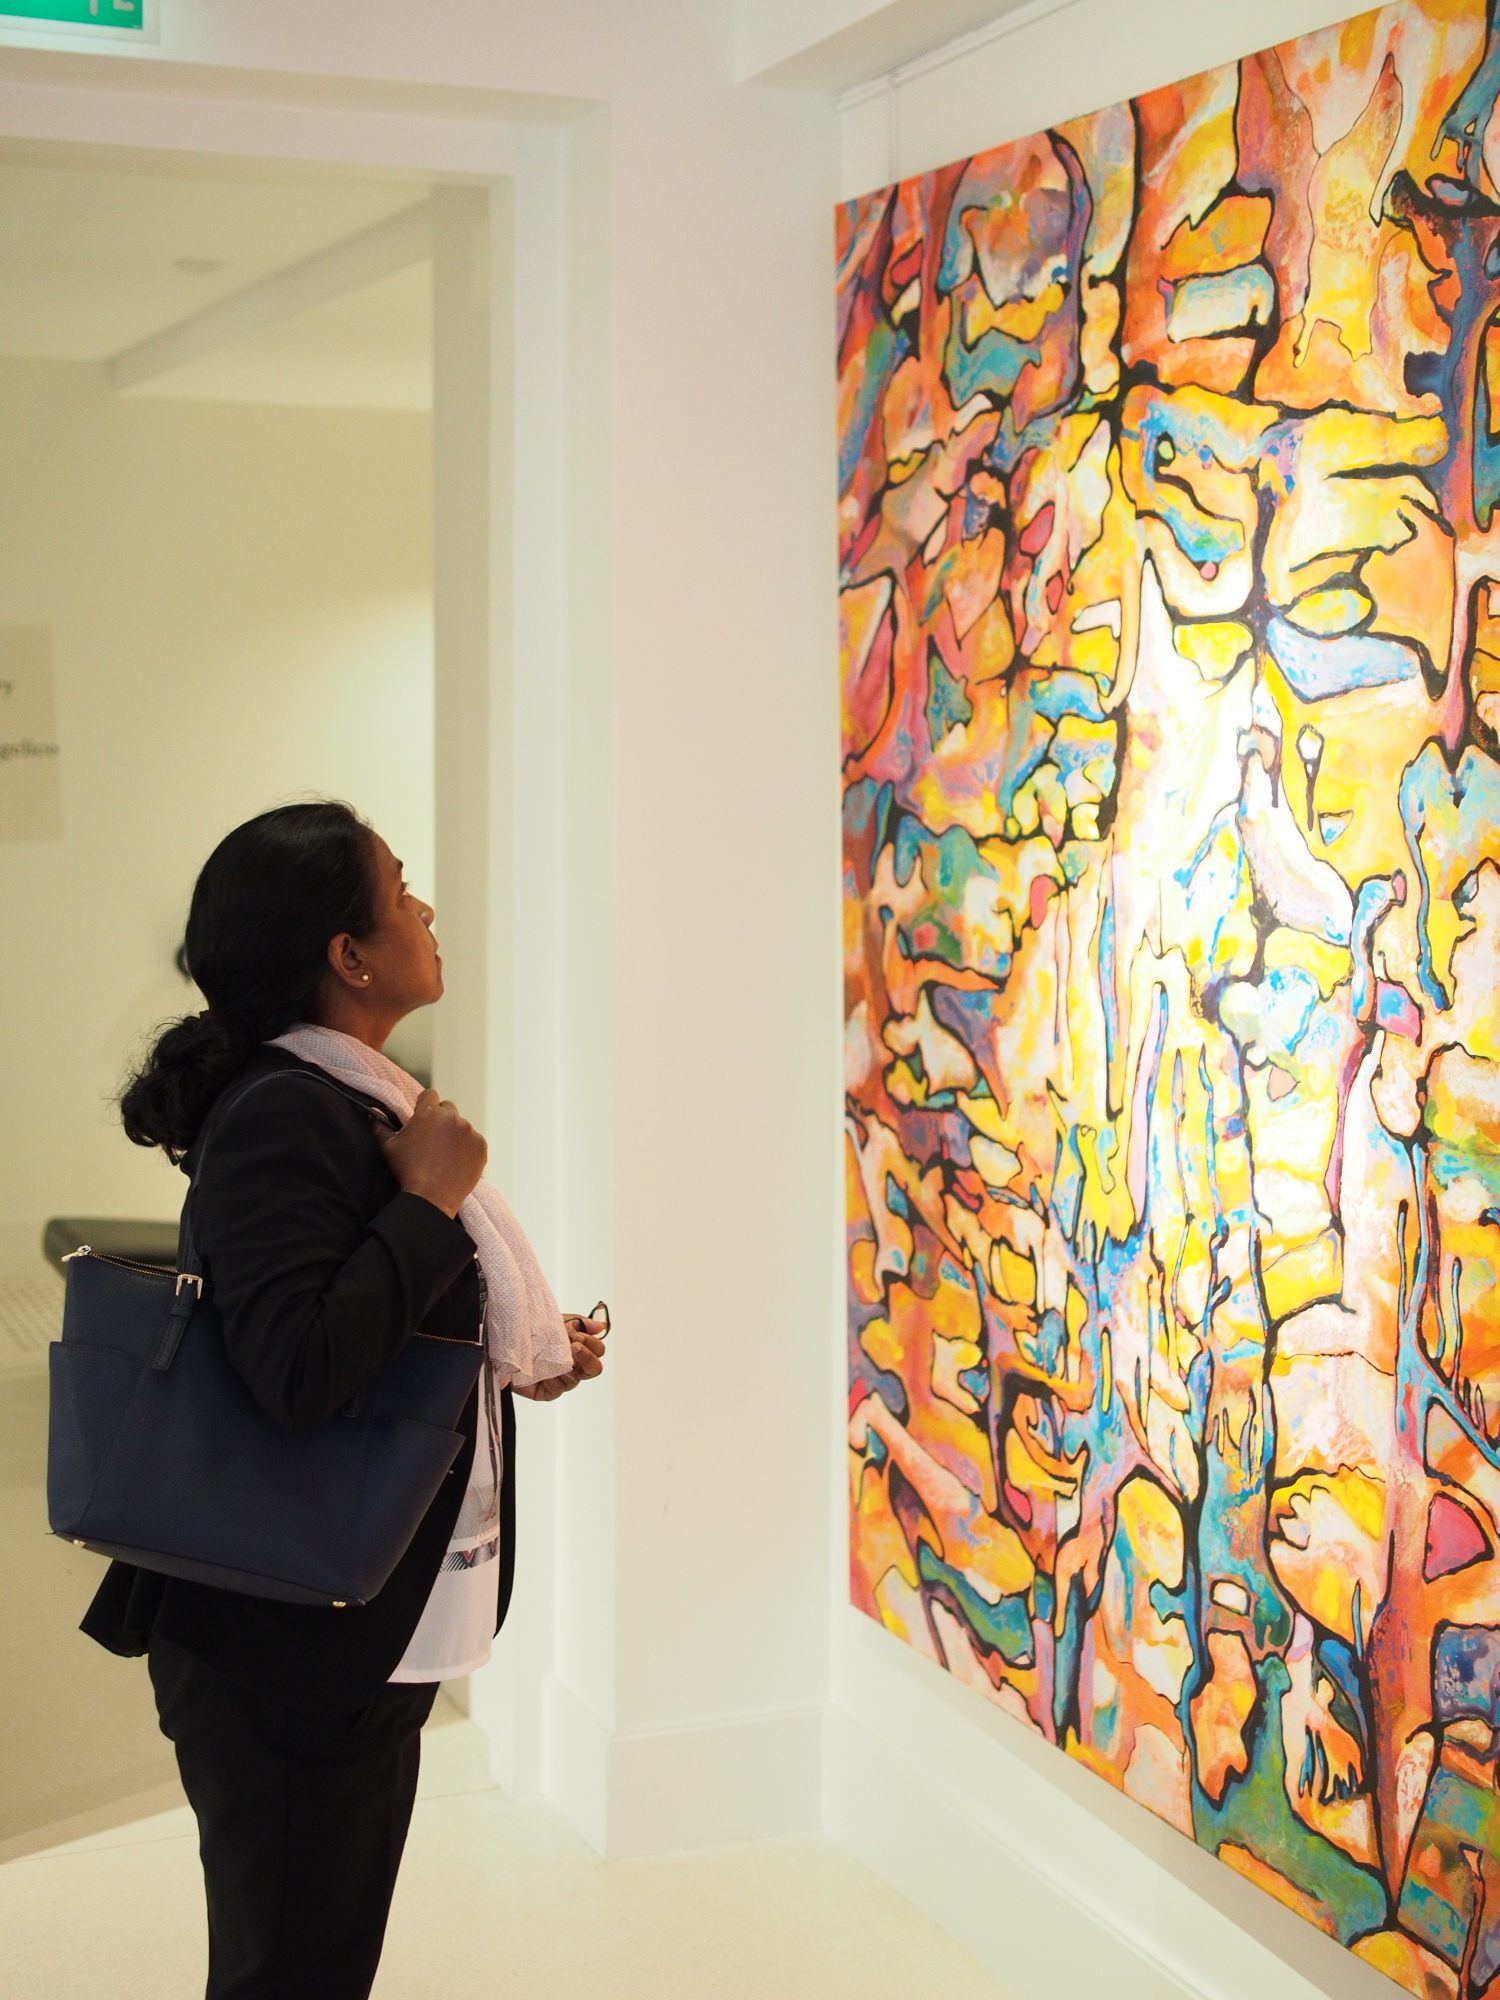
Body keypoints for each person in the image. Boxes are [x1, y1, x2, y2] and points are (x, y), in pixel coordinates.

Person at [79, 799, 606, 2000]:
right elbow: (298, 1366)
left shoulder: (356, 1099)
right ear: (348, 955)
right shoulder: (287, 1112)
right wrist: (427, 1202)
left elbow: (364, 1320)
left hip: (346, 1625)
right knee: (292, 1973)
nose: (427, 907)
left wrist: (513, 1344)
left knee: (318, 1962)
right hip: (283, 1645)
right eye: (402, 889)